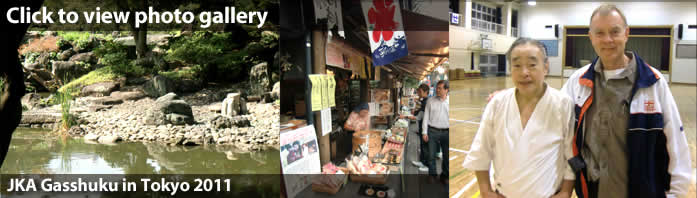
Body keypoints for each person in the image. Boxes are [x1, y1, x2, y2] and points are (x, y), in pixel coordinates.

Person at [562, 4, 691, 198]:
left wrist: (677, 194)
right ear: (591, 37)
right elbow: (553, 122)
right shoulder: (577, 82)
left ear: (626, 33)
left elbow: (676, 142)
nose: (608, 40)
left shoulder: (653, 82)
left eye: (615, 32)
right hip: (591, 191)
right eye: (600, 33)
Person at [463, 38, 575, 198]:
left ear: (546, 67)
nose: (524, 72)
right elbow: (481, 151)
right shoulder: (497, 103)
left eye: (532, 65)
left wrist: (565, 191)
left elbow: (570, 155)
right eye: (517, 65)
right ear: (510, 69)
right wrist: (486, 190)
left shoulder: (563, 104)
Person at [423, 80, 449, 184]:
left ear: (446, 90)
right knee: (431, 155)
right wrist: (424, 132)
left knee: (446, 156)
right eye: (437, 88)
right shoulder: (430, 101)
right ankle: (432, 174)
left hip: (447, 132)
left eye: (440, 88)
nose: (437, 90)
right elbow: (426, 117)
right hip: (432, 131)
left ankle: (445, 175)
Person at [401, 84, 431, 172]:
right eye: (418, 91)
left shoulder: (427, 102)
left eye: (420, 91)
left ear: (426, 92)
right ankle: (422, 161)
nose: (418, 93)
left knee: (426, 146)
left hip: (426, 126)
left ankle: (427, 165)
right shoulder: (424, 100)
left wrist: (406, 116)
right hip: (422, 125)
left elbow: (419, 117)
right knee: (422, 144)